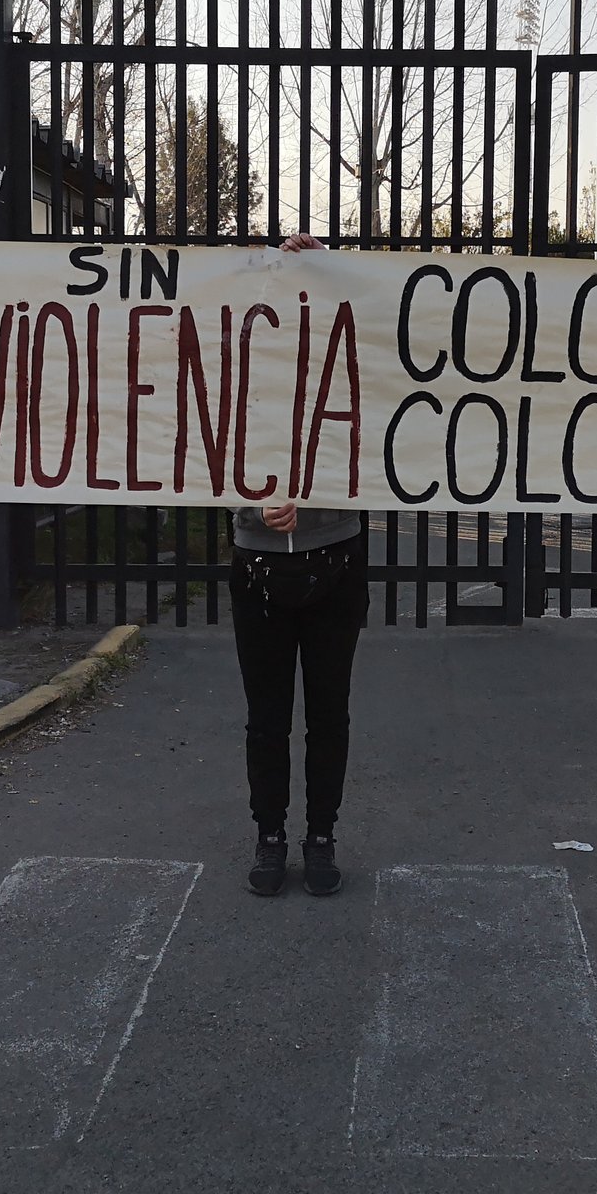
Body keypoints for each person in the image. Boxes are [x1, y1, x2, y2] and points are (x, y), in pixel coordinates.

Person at [229, 233, 370, 897]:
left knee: (328, 711)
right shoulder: (239, 367)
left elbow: (386, 380)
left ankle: (320, 835)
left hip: (336, 557)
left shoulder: (346, 358)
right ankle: (269, 836)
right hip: (258, 566)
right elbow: (201, 444)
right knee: (266, 715)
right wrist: (256, 505)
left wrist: (333, 259)